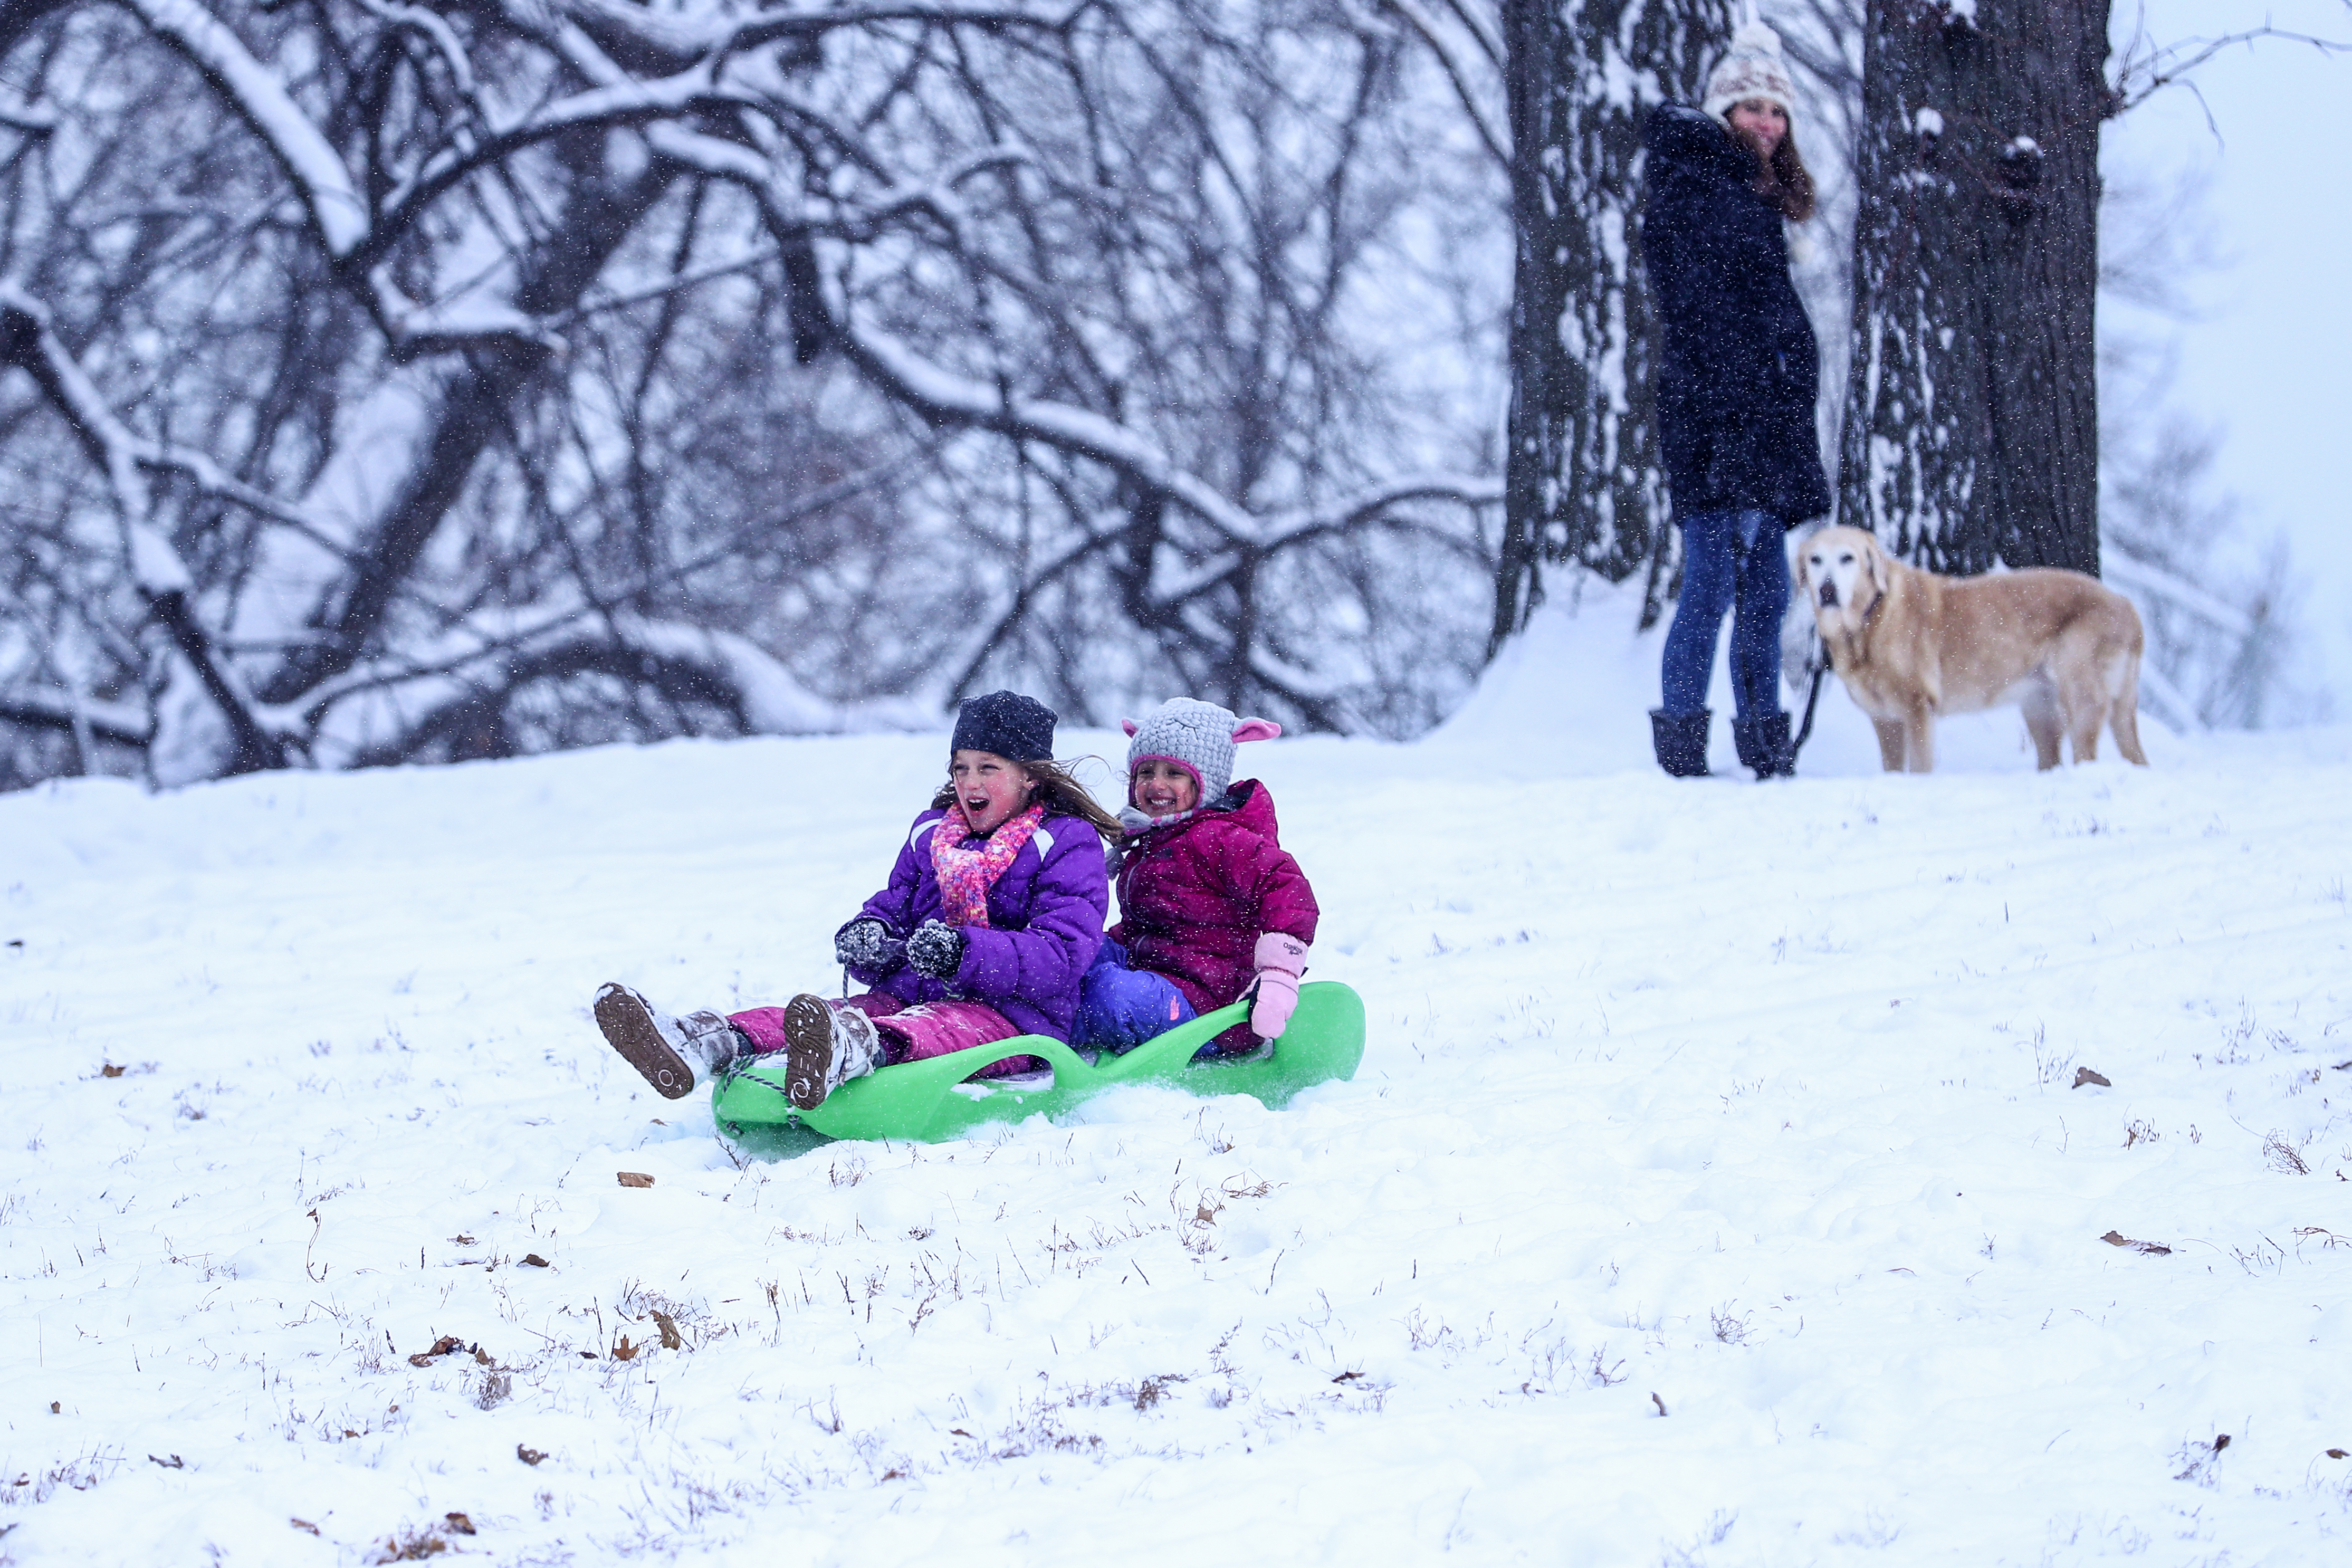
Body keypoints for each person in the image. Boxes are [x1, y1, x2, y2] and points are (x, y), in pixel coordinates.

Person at [592, 691, 1118, 1110]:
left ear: (1029, 774)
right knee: (823, 1013)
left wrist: (966, 953)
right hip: (913, 991)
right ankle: (706, 1041)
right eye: (960, 767)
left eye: (988, 768)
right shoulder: (934, 833)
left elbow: (1062, 955)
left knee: (922, 1030)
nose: (969, 782)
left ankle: (846, 1050)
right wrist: (873, 936)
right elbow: (893, 903)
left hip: (1013, 1018)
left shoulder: (1066, 841)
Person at [1641, 22, 1833, 781]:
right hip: (1716, 423)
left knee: (1764, 594)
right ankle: (1684, 759)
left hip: (1758, 427)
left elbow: (1763, 322)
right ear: (1723, 112)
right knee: (1714, 588)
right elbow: (1703, 320)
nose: (1766, 122)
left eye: (1777, 112)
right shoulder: (1696, 186)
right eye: (1751, 107)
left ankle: (1765, 751)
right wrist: (1740, 414)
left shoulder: (1748, 196)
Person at [1073, 697, 1320, 1057]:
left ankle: (1050, 1032)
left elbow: (1286, 887)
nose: (1156, 785)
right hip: (1153, 973)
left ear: (1207, 782)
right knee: (1073, 953)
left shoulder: (1222, 838)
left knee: (1108, 994)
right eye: (1146, 772)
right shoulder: (1152, 838)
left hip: (1208, 1006)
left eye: (1173, 773)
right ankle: (1035, 1014)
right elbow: (1151, 925)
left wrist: (1280, 973)